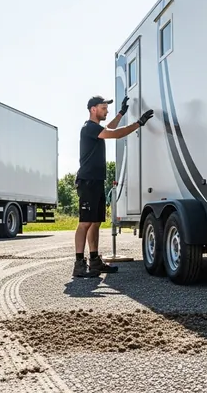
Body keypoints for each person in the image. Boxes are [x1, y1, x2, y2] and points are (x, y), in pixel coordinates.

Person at [73, 94, 154, 278]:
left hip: (96, 181)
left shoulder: (96, 128)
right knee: (85, 222)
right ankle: (79, 264)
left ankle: (94, 260)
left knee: (95, 222)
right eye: (103, 108)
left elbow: (109, 127)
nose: (106, 111)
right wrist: (138, 123)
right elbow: (115, 134)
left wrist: (121, 113)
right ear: (93, 109)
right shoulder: (88, 128)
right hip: (87, 182)